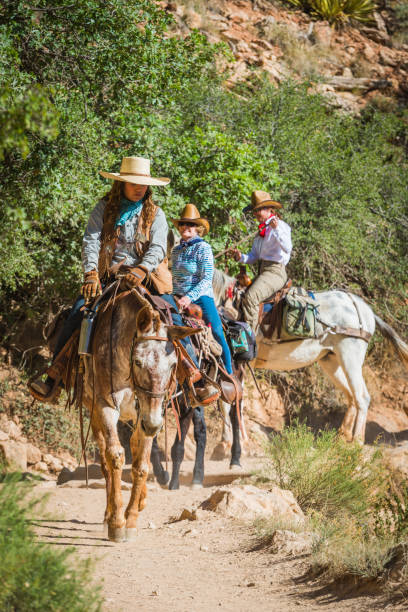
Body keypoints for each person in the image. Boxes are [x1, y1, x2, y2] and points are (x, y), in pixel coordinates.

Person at [30, 157, 214, 403]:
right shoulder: (103, 209)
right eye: (133, 183)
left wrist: (142, 268)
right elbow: (91, 241)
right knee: (78, 312)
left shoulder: (156, 214)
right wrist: (91, 273)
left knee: (173, 314)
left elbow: (159, 247)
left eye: (143, 184)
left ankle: (192, 374)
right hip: (108, 277)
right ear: (122, 184)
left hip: (146, 279)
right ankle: (55, 374)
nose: (139, 188)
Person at [171, 204, 234, 376]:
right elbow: (173, 276)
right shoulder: (176, 251)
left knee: (216, 330)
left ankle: (229, 373)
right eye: (183, 224)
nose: (186, 227)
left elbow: (206, 278)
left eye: (190, 224)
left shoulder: (203, 248)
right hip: (177, 296)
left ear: (197, 228)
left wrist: (189, 297)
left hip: (200, 296)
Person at [229, 190, 292, 332]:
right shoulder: (260, 233)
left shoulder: (280, 226)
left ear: (270, 209)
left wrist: (275, 229)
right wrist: (240, 257)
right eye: (255, 210)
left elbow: (288, 248)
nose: (257, 213)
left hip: (276, 272)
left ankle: (251, 338)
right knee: (238, 295)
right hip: (264, 272)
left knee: (251, 298)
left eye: (260, 209)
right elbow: (253, 257)